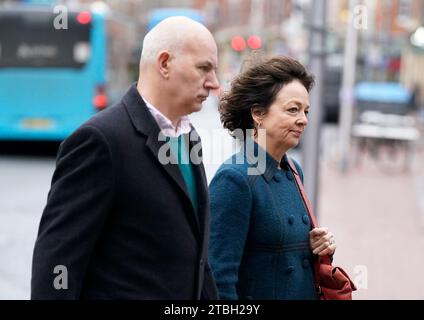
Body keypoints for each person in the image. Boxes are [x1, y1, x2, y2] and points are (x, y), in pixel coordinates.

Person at [31, 16, 220, 299]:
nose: (214, 83)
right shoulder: (100, 141)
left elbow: (197, 261)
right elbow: (57, 263)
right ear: (165, 63)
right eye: (204, 68)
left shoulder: (188, 137)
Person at [208, 56, 337, 300]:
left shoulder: (293, 170)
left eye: (306, 111)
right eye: (292, 109)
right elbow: (218, 279)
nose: (303, 119)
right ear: (258, 113)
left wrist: (320, 247)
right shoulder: (234, 179)